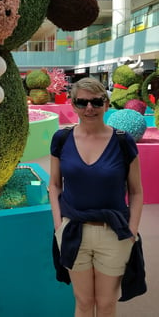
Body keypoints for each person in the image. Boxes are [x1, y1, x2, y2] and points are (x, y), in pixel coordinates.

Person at [49, 77, 144, 317]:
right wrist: (58, 225)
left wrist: (132, 231)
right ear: (73, 105)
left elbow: (136, 191)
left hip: (114, 233)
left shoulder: (123, 141)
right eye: (82, 102)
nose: (89, 108)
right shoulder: (62, 139)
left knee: (106, 304)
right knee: (83, 301)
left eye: (95, 102)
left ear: (106, 103)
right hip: (73, 231)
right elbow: (54, 185)